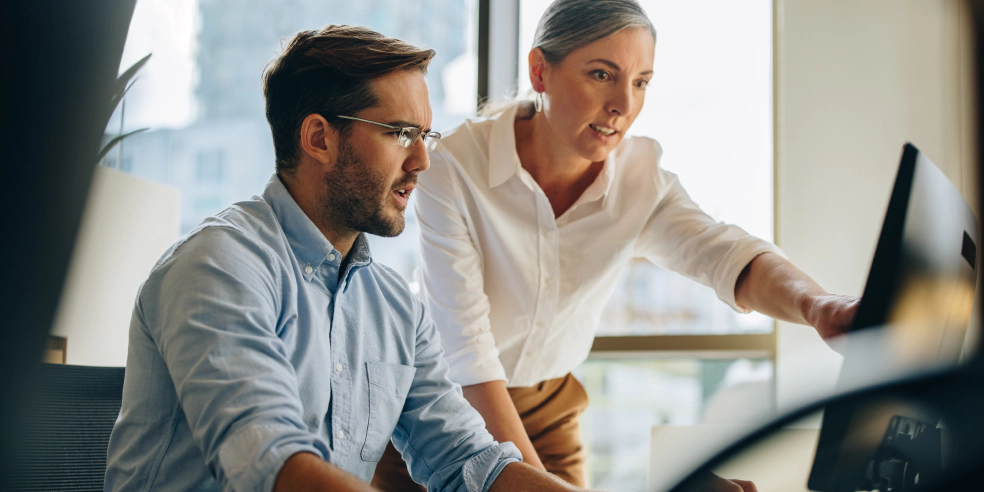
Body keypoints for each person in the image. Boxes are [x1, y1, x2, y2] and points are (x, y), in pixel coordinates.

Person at [371, 0, 859, 490]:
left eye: (641, 81)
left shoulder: (639, 178)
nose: (624, 105)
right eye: (602, 75)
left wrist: (817, 306)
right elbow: (467, 354)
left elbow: (725, 255)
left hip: (550, 408)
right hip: (441, 408)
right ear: (540, 72)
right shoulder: (452, 167)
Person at [103, 25, 590, 492]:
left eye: (427, 135)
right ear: (319, 139)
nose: (422, 160)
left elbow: (469, 463)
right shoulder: (218, 266)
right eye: (401, 133)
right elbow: (271, 465)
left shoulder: (397, 308)